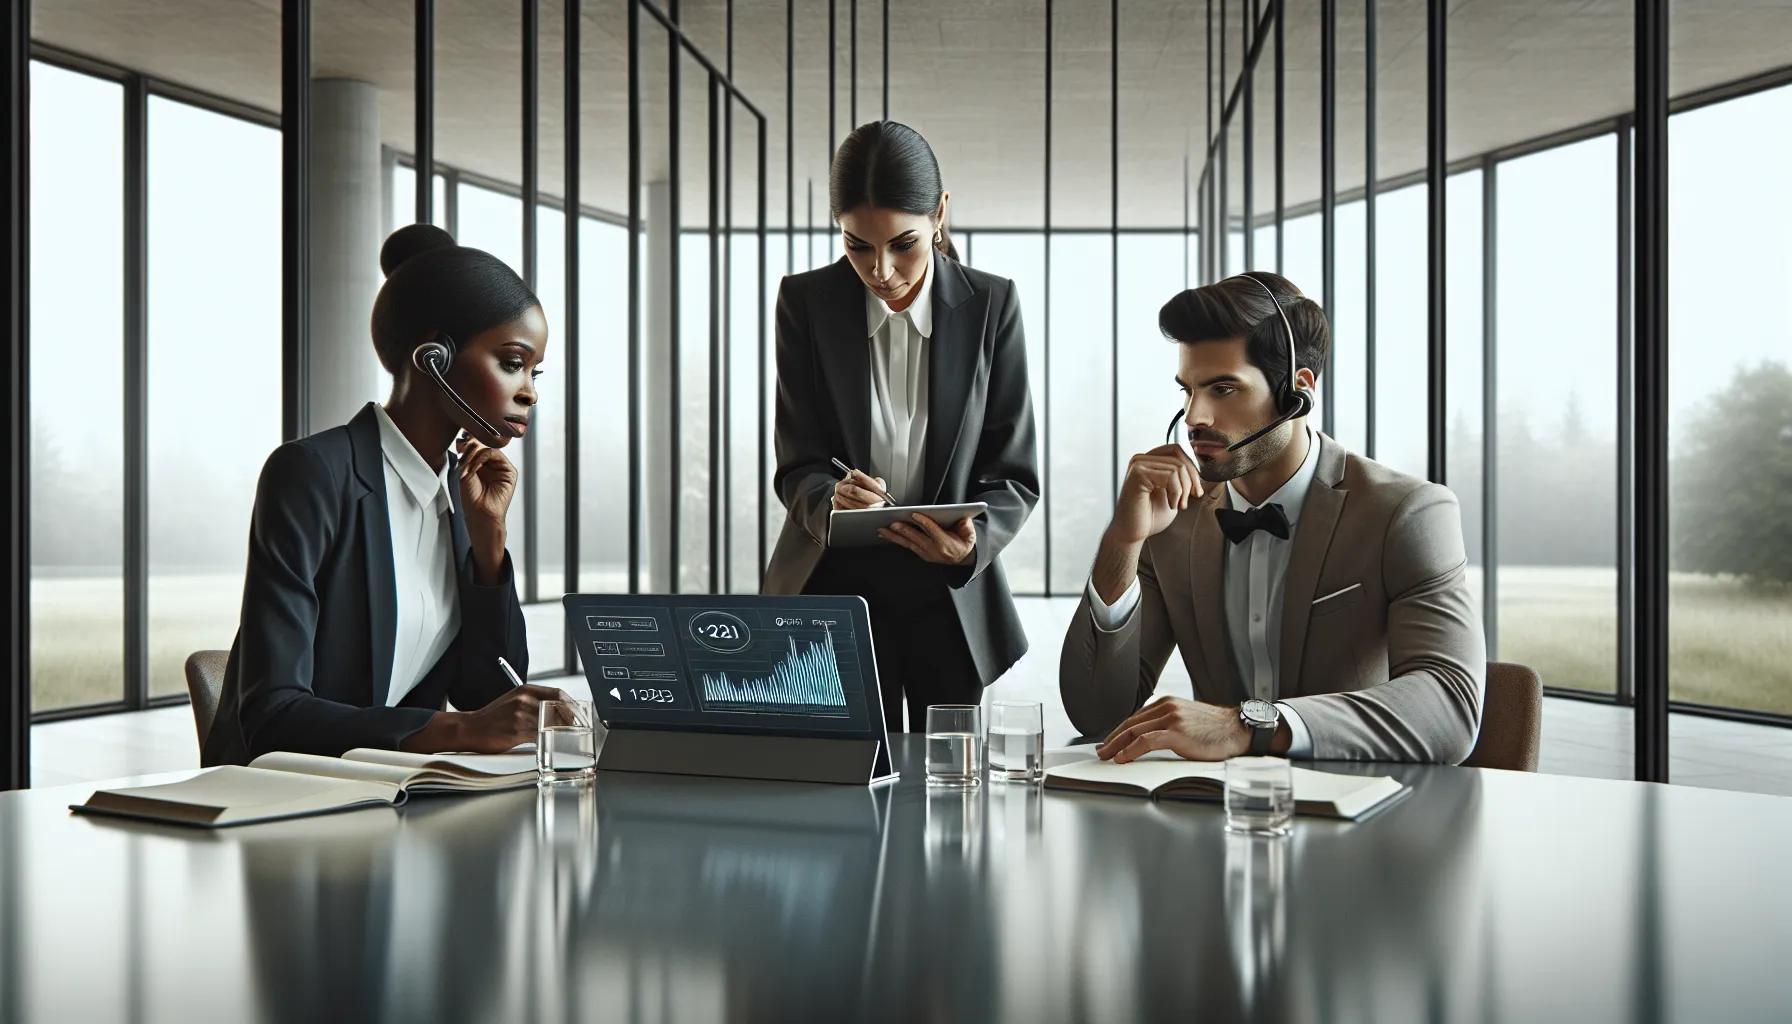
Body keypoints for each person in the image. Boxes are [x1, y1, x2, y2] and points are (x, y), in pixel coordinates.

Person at [1059, 271, 1484, 764]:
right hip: (1215, 816)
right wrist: (1123, 542)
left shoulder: (1405, 513)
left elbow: (1451, 706)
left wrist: (1248, 726)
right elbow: (1096, 715)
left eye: (1222, 389)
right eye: (1188, 390)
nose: (1195, 416)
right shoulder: (1170, 519)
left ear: (1297, 390)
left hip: (1363, 813)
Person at [203, 224, 566, 767]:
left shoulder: (461, 497)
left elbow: (486, 696)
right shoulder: (312, 474)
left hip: (397, 797)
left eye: (534, 372)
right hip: (282, 801)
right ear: (433, 359)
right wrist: (460, 730)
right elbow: (272, 718)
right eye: (512, 363)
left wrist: (489, 549)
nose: (529, 392)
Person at [766, 120, 1040, 732]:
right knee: (846, 794)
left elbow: (1014, 473)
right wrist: (829, 500)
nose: (881, 269)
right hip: (834, 589)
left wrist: (973, 543)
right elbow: (796, 463)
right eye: (857, 245)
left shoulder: (993, 304)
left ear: (940, 213)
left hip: (950, 594)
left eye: (903, 243)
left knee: (952, 792)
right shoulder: (805, 303)